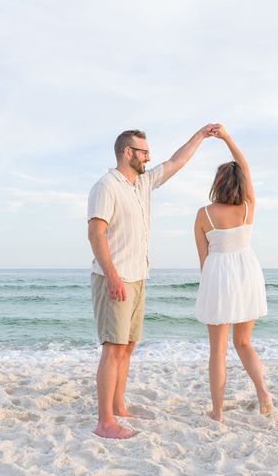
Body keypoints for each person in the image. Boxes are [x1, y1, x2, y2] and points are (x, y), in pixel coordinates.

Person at [88, 124, 219, 439]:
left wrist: (201, 135)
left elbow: (176, 162)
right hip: (115, 277)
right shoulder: (106, 186)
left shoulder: (143, 183)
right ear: (127, 152)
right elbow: (96, 233)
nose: (149, 157)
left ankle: (119, 406)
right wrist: (112, 276)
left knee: (127, 347)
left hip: (137, 275)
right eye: (144, 152)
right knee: (113, 347)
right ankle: (105, 421)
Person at [194, 126, 272, 421]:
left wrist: (210, 288)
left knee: (218, 350)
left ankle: (217, 413)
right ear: (241, 183)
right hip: (247, 273)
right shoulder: (248, 208)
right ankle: (263, 391)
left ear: (218, 183)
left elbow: (203, 259)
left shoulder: (204, 214)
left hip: (218, 275)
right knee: (244, 342)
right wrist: (227, 138)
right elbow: (246, 167)